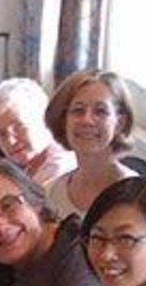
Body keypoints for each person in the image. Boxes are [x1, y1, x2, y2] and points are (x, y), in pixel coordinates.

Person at [45, 70, 140, 219]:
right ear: (64, 121)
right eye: (78, 110)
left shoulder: (136, 196)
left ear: (120, 123)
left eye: (100, 111)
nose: (87, 120)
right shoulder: (51, 192)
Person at [0, 78, 75, 187]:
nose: (11, 141)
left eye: (19, 127)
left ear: (46, 119)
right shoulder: (30, 167)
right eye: (1, 134)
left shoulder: (60, 171)